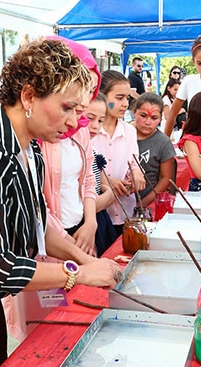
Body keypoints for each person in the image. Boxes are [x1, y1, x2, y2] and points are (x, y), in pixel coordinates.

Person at [0, 39, 123, 367]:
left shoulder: (30, 147)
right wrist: (76, 274)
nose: (74, 121)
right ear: (29, 96)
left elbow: (38, 225)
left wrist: (83, 259)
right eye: (67, 108)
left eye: (79, 111)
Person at [38, 36, 101, 256]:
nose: (86, 100)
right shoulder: (39, 134)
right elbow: (35, 204)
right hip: (49, 241)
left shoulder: (80, 129)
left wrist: (90, 223)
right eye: (82, 88)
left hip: (80, 230)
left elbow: (88, 179)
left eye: (92, 90)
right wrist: (70, 246)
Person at [92, 70, 146, 235]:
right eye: (119, 98)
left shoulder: (129, 131)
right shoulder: (90, 131)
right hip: (99, 213)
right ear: (102, 96)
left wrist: (136, 174)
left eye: (127, 99)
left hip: (125, 212)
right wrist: (107, 181)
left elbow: (133, 161)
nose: (125, 104)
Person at [85, 93, 118, 256]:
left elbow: (108, 189)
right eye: (89, 118)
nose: (95, 126)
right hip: (85, 225)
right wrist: (106, 197)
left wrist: (109, 194)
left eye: (100, 121)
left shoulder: (94, 151)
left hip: (101, 222)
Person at [133, 93, 176, 206]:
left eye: (154, 118)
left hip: (147, 202)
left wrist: (142, 204)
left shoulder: (163, 142)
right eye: (143, 116)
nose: (148, 122)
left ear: (161, 118)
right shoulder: (123, 134)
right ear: (134, 112)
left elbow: (166, 178)